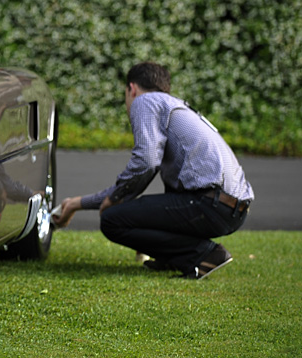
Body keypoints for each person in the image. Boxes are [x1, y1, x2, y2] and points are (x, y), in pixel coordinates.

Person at [53, 62, 253, 279]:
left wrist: (117, 196)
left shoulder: (145, 101)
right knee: (135, 210)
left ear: (132, 89)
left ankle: (203, 254)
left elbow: (146, 162)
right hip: (231, 208)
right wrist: (77, 204)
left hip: (210, 204)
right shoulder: (175, 106)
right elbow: (146, 173)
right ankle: (172, 258)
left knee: (112, 220)